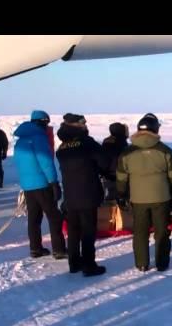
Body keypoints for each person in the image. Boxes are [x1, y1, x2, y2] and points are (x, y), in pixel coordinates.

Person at [116, 113, 172, 272]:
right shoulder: (164, 150)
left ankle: (142, 263)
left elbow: (121, 177)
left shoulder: (127, 153)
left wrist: (121, 194)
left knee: (140, 232)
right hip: (161, 197)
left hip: (138, 199)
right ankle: (161, 262)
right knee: (162, 232)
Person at [56, 113, 111, 276]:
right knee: (88, 231)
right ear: (78, 126)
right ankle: (89, 265)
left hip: (70, 194)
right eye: (83, 124)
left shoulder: (62, 147)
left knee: (73, 230)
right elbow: (104, 162)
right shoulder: (87, 143)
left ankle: (74, 263)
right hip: (88, 192)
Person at [14, 110, 67, 259]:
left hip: (28, 185)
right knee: (54, 216)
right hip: (42, 183)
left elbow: (18, 163)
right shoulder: (38, 137)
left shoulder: (20, 140)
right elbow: (46, 161)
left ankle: (35, 248)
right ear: (43, 122)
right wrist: (53, 182)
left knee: (34, 218)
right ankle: (59, 249)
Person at [101, 122, 129, 200]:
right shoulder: (122, 143)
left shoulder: (106, 142)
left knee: (110, 198)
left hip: (108, 175)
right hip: (121, 176)